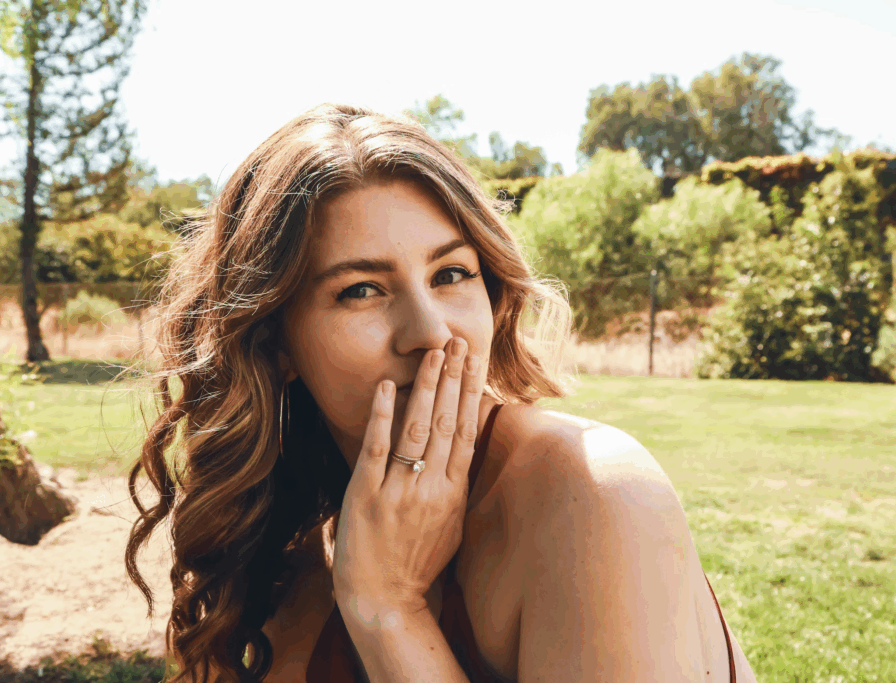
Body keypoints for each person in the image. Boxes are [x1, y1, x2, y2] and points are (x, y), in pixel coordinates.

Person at [124, 103, 758, 683]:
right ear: (275, 345)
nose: (430, 333)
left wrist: (389, 609)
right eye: (361, 290)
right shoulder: (291, 549)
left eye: (451, 273)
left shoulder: (594, 490)